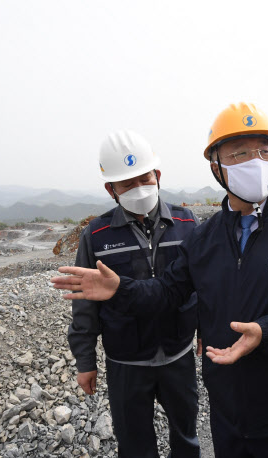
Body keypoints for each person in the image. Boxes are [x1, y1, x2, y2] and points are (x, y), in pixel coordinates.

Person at [53, 103, 268, 458]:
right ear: (216, 167)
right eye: (239, 154)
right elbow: (168, 291)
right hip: (224, 402)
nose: (255, 161)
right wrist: (121, 290)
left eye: (264, 151)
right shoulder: (204, 239)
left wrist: (267, 331)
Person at [67, 130, 201, 458]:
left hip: (178, 355)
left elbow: (203, 286)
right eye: (127, 183)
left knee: (186, 436)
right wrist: (86, 361)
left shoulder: (187, 224)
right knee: (134, 445)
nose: (138, 189)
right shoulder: (96, 236)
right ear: (110, 189)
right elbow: (84, 305)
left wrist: (207, 331)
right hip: (126, 362)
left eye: (144, 178)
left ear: (157, 175)